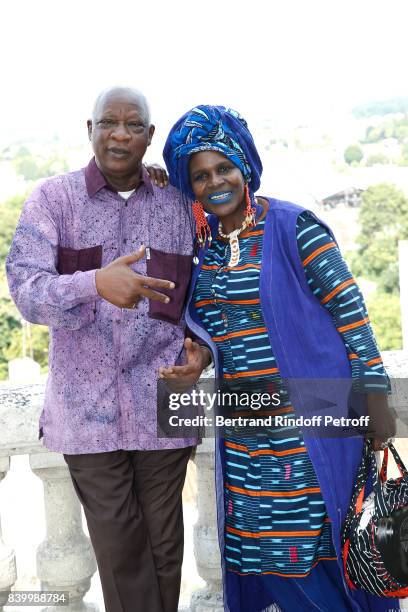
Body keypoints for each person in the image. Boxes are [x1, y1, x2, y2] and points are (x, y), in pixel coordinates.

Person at [161, 105, 397, 612]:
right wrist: (198, 357)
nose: (215, 182)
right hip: (246, 436)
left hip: (310, 428)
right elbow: (211, 329)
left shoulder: (293, 227)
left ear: (245, 164)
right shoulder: (204, 250)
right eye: (200, 176)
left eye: (224, 167)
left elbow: (352, 315)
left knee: (329, 551)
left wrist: (375, 397)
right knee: (265, 560)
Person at [6, 87, 211, 612]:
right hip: (85, 413)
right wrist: (92, 283)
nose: (120, 133)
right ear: (90, 129)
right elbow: (26, 291)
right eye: (108, 122)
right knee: (121, 552)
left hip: (165, 405)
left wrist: (203, 352)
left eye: (133, 124)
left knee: (167, 551)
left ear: (149, 135)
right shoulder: (54, 201)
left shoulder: (179, 208)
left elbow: (211, 297)